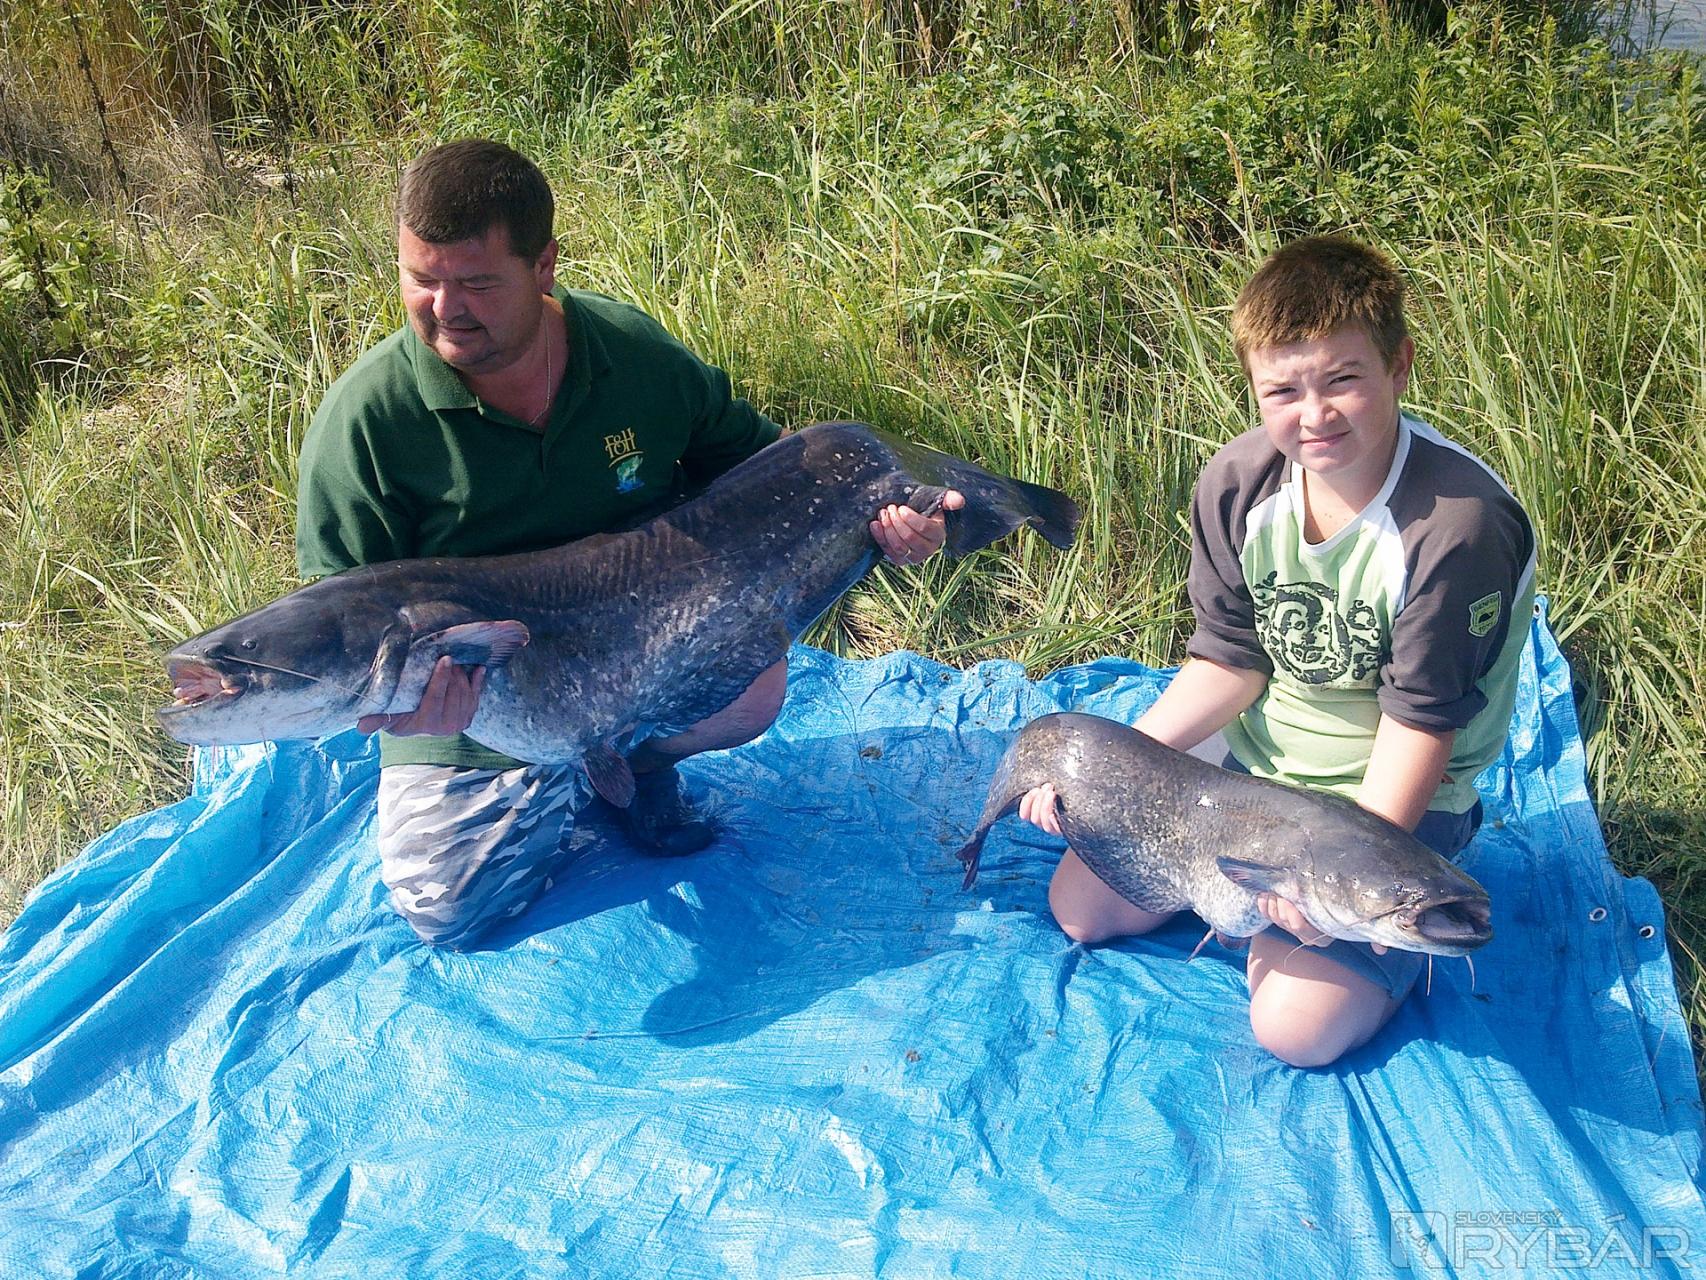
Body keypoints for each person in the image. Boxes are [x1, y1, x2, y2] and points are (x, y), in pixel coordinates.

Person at [296, 139, 960, 948]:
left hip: (632, 657)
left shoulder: (630, 356)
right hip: (477, 701)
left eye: (477, 283)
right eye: (421, 280)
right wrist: (400, 707)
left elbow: (775, 475)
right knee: (448, 909)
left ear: (545, 267)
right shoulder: (364, 424)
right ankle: (571, 779)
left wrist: (887, 525)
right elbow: (335, 619)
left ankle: (633, 764)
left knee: (753, 689)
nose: (446, 309)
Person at [1020, 235, 1536, 1067]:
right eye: (1284, 391)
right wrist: (1113, 769)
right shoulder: (1237, 482)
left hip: (1392, 787)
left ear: (1400, 365)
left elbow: (1420, 724)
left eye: (1343, 380)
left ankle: (1353, 930)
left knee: (1295, 1031)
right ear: (1255, 389)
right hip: (1257, 763)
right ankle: (1250, 907)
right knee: (1082, 910)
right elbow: (1229, 662)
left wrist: (1338, 884)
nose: (1315, 414)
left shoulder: (1457, 524)